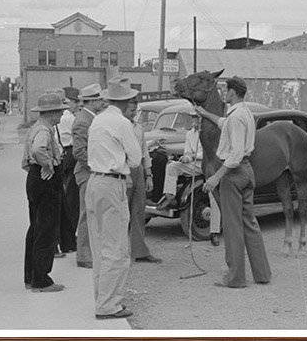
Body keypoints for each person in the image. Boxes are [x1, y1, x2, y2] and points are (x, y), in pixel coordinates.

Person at [199, 76, 271, 288]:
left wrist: (215, 177)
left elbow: (236, 154)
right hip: (247, 172)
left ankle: (235, 278)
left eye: (225, 90)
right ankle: (262, 273)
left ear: (232, 92)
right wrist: (205, 114)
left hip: (233, 173)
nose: (223, 93)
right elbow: (224, 123)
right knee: (250, 223)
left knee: (232, 227)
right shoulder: (243, 113)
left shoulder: (235, 117)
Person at [85, 78, 141, 319]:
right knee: (116, 248)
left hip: (94, 182)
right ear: (127, 101)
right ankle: (108, 305)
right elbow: (136, 159)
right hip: (112, 183)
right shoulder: (122, 123)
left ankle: (103, 298)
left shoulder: (97, 120)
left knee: (100, 247)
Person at [22, 90, 66, 292]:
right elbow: (39, 149)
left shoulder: (36, 127)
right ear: (52, 112)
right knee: (46, 230)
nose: (62, 115)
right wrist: (48, 165)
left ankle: (31, 276)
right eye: (60, 111)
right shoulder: (44, 131)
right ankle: (41, 279)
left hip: (34, 178)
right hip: (45, 180)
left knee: (36, 227)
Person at [154, 111, 221, 244]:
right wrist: (185, 157)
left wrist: (191, 157)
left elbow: (210, 153)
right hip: (194, 164)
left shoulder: (209, 134)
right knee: (172, 166)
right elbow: (188, 151)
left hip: (208, 165)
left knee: (214, 197)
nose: (194, 122)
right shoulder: (190, 134)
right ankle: (169, 195)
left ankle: (214, 231)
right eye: (193, 119)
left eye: (196, 119)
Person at [71, 83, 104, 268]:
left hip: (91, 172)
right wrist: (97, 166)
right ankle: (83, 255)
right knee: (87, 213)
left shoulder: (91, 118)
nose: (102, 102)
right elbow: (79, 152)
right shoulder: (84, 121)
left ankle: (89, 251)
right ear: (92, 101)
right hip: (87, 173)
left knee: (92, 212)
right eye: (99, 99)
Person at [129, 111, 161, 263]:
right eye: (130, 103)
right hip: (123, 169)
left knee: (139, 211)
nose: (133, 107)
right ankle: (120, 253)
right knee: (121, 212)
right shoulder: (119, 125)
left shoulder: (138, 128)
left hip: (138, 169)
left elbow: (144, 152)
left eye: (135, 103)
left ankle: (139, 251)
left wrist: (149, 175)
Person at [54, 90, 79, 255]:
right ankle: (67, 239)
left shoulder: (59, 119)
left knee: (64, 200)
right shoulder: (70, 118)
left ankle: (64, 239)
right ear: (68, 102)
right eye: (75, 102)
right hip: (69, 154)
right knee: (71, 201)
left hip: (61, 155)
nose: (78, 105)